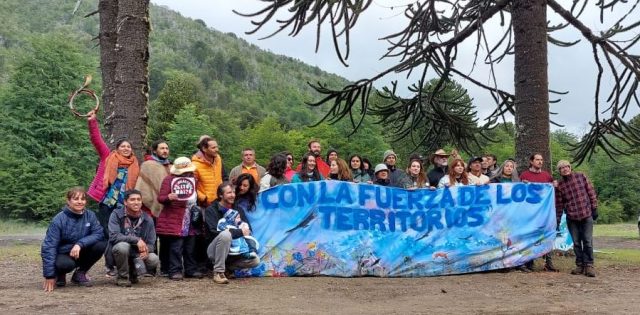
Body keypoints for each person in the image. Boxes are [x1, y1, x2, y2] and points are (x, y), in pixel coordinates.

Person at [41, 187, 106, 292]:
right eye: (76, 199)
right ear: (68, 201)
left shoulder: (90, 215)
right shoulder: (58, 220)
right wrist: (49, 275)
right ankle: (60, 273)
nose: (80, 202)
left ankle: (80, 273)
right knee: (65, 265)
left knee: (101, 245)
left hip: (81, 251)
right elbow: (49, 247)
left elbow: (98, 234)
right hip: (63, 254)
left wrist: (80, 244)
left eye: (83, 199)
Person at [205, 182, 260, 284]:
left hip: (235, 251)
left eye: (234, 192)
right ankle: (218, 272)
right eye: (229, 193)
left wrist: (243, 231)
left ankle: (228, 269)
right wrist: (239, 232)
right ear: (221, 195)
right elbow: (213, 233)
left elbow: (248, 230)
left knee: (255, 260)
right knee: (225, 234)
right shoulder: (211, 210)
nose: (233, 195)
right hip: (215, 251)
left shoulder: (237, 209)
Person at [157, 157, 202, 280]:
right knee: (177, 246)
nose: (188, 173)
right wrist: (168, 197)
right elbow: (160, 198)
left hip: (191, 215)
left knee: (190, 245)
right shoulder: (169, 180)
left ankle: (190, 269)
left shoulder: (193, 179)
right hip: (175, 216)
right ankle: (175, 270)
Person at [107, 189, 159, 287]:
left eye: (139, 200)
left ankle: (133, 273)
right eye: (132, 200)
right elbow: (114, 236)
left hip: (137, 254)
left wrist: (146, 250)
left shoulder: (148, 219)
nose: (136, 202)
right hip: (118, 253)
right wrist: (136, 240)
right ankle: (122, 277)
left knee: (153, 259)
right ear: (125, 202)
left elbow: (152, 243)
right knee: (122, 246)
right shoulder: (116, 214)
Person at [555, 160, 598, 277]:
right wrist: (558, 220)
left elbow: (591, 192)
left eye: (566, 167)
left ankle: (589, 265)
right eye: (562, 168)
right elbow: (559, 204)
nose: (565, 169)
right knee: (576, 242)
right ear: (559, 171)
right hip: (572, 217)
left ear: (570, 167)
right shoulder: (560, 185)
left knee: (588, 241)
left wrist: (594, 208)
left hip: (586, 214)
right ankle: (580, 265)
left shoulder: (581, 176)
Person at [519, 153, 558, 272]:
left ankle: (548, 262)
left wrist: (554, 185)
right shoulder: (524, 175)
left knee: (546, 235)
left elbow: (551, 192)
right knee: (529, 236)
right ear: (531, 161)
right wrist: (522, 185)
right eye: (537, 160)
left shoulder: (547, 175)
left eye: (541, 160)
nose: (540, 162)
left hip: (544, 213)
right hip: (529, 213)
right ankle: (528, 262)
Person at [134, 140, 171, 218]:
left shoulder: (170, 166)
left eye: (167, 148)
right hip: (149, 210)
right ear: (154, 151)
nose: (165, 151)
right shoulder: (147, 165)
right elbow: (142, 187)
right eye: (162, 148)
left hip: (168, 205)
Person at [192, 136, 227, 207]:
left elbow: (222, 176)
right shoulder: (195, 165)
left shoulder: (218, 159)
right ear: (204, 149)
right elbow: (192, 186)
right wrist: (204, 198)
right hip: (205, 204)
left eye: (217, 147)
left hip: (220, 200)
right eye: (213, 148)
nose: (217, 149)